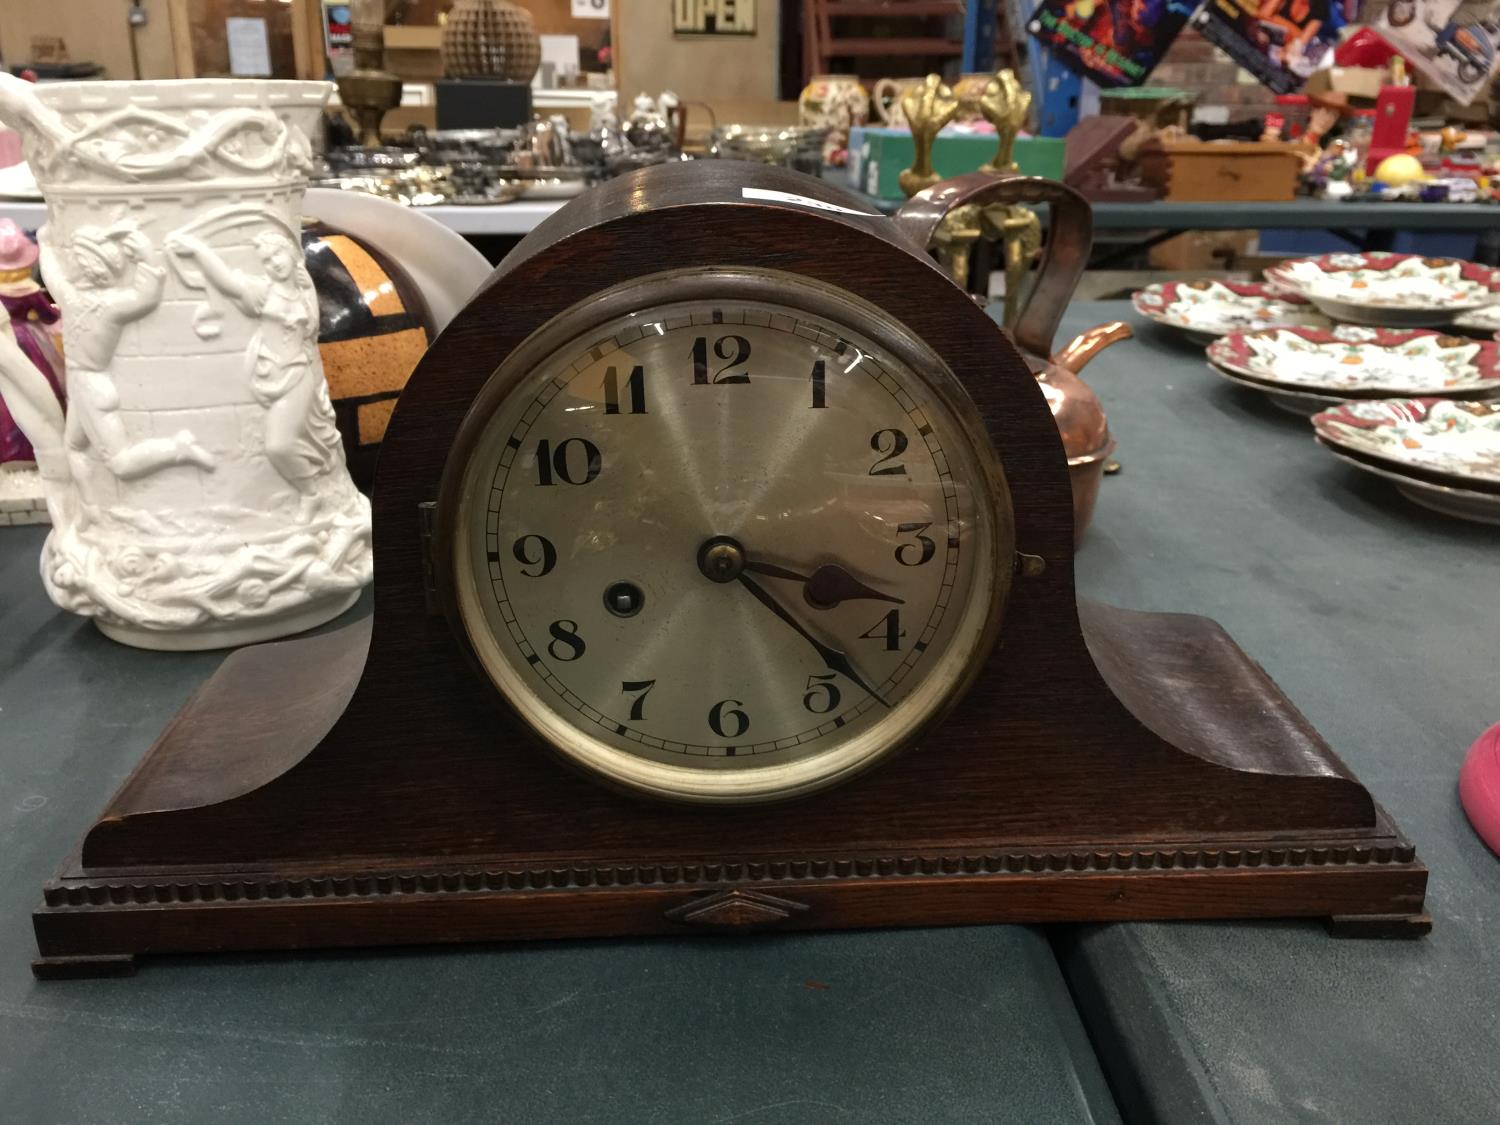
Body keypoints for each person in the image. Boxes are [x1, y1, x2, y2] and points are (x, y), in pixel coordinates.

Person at [167, 227, 340, 522]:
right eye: (268, 260)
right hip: (268, 374)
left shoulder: (304, 291)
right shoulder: (264, 291)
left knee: (279, 445)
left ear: (290, 253)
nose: (274, 263)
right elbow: (228, 282)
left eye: (277, 255)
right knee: (266, 443)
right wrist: (200, 250)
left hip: (296, 375)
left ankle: (311, 492)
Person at [38, 222, 214, 506]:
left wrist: (145, 257)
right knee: (74, 447)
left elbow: (145, 297)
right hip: (82, 383)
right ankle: (92, 511)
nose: (75, 264)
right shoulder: (87, 300)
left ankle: (178, 449)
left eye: (80, 259)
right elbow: (54, 275)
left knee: (120, 462)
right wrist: (46, 245)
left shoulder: (102, 304)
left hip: (91, 387)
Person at [0, 219, 63, 468]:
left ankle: (12, 448)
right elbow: (48, 314)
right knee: (36, 389)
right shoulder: (27, 290)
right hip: (27, 342)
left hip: (10, 341)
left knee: (11, 396)